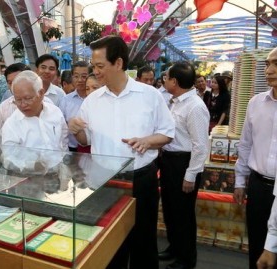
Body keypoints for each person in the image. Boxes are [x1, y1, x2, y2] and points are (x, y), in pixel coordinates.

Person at [68, 36, 175, 269]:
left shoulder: (149, 95)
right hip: (104, 180)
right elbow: (86, 138)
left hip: (140, 178)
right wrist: (76, 131)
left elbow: (167, 134)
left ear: (118, 63)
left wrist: (148, 141)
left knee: (144, 240)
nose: (94, 72)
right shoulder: (92, 100)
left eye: (99, 66)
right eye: (93, 66)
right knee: (107, 241)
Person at [158, 62, 210, 269]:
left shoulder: (195, 106)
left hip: (184, 163)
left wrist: (190, 175)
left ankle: (186, 258)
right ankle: (174, 247)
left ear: (175, 82)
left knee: (183, 214)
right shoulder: (175, 102)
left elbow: (200, 146)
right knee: (170, 209)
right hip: (170, 161)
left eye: (167, 77)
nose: (164, 80)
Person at [235, 47, 277, 269]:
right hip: (259, 188)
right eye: (267, 64)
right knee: (258, 249)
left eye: (275, 64)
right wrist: (240, 182)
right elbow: (245, 145)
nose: (268, 70)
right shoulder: (255, 103)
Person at [1, 70, 68, 151]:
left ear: (41, 93)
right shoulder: (11, 126)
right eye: (18, 100)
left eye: (27, 98)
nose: (23, 104)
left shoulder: (55, 112)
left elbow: (64, 143)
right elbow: (11, 158)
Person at [58, 61, 90, 152]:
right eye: (76, 76)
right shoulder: (66, 100)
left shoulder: (95, 100)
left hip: (92, 148)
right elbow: (61, 125)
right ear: (72, 77)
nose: (80, 80)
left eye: (84, 76)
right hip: (71, 148)